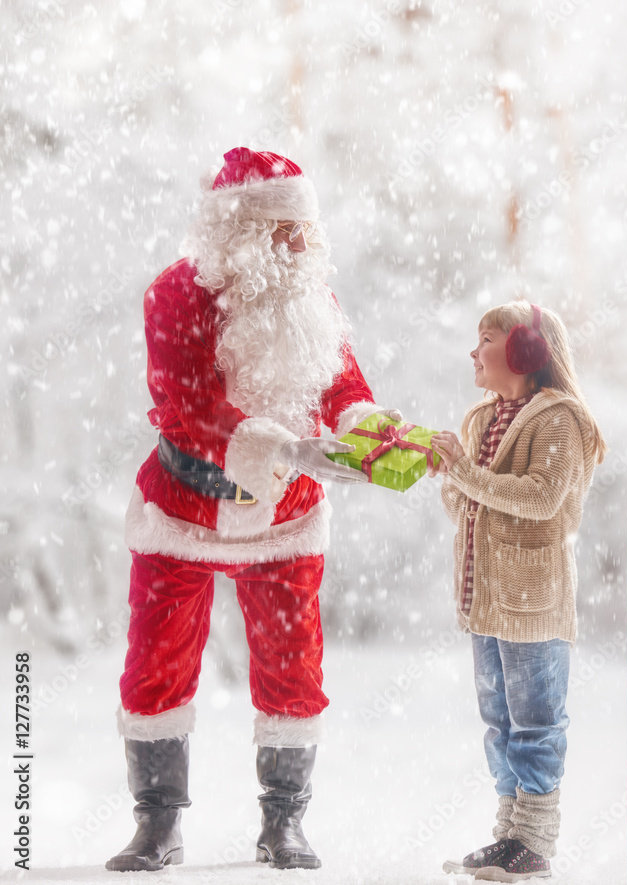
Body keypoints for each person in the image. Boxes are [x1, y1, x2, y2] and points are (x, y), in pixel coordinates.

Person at [107, 147, 397, 872]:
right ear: (242, 232)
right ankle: (157, 822)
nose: (302, 246)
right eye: (285, 231)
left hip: (286, 518)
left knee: (293, 666)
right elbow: (188, 408)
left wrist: (372, 432)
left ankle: (283, 821)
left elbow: (342, 382)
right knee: (156, 664)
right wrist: (283, 448)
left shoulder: (310, 296)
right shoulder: (175, 294)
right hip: (185, 510)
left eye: (306, 231)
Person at [429, 302, 607, 881]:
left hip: (533, 598)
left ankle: (533, 839)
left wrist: (466, 476)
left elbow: (541, 498)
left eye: (485, 338)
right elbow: (464, 504)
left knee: (535, 718)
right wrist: (451, 478)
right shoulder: (482, 418)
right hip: (483, 596)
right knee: (498, 718)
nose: (473, 351)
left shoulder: (559, 419)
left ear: (526, 351)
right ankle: (507, 831)